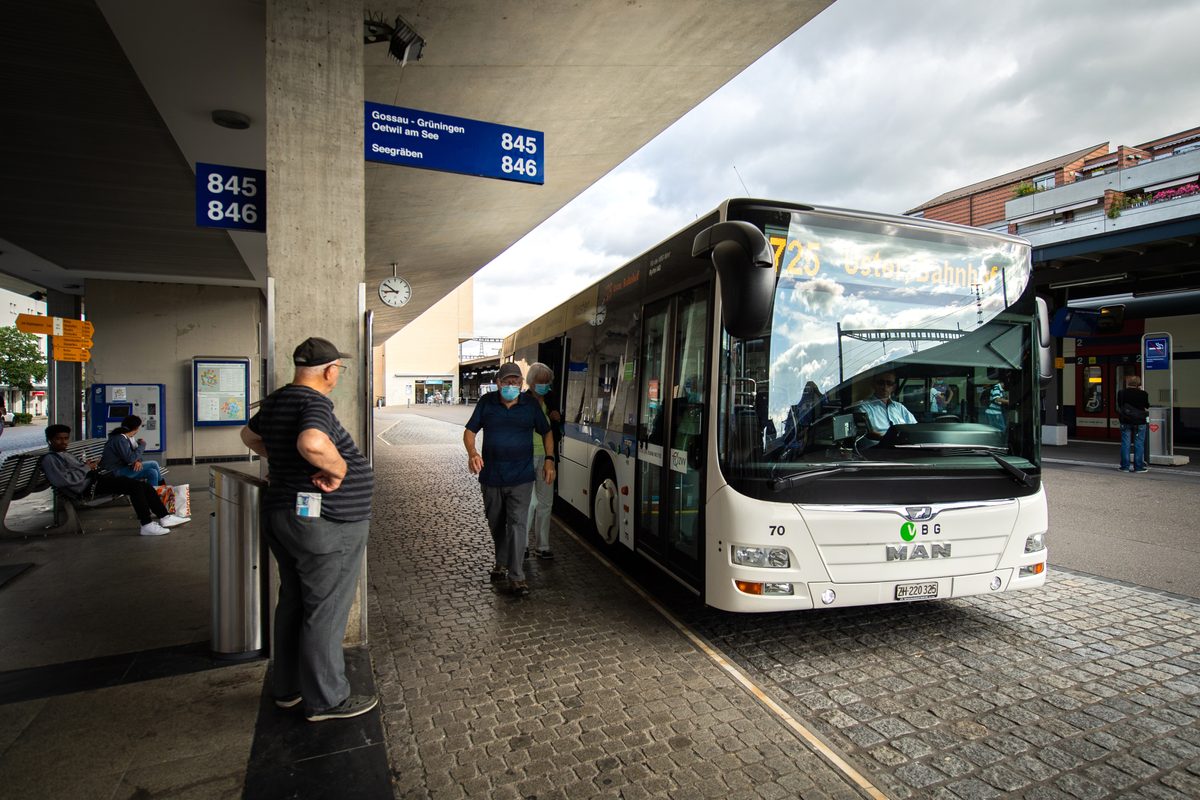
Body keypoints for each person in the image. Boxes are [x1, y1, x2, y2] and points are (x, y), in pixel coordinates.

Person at [239, 337, 377, 723]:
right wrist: (340, 470)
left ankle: (288, 688)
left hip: (283, 515)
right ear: (331, 370)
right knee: (326, 610)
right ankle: (327, 699)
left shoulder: (279, 399)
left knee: (295, 603)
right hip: (327, 524)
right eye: (339, 370)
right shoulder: (313, 402)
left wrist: (285, 459)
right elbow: (312, 441)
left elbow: (249, 437)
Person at [464, 362, 554, 597]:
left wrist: (549, 459)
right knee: (496, 522)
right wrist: (473, 453)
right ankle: (501, 560)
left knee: (518, 523)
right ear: (498, 383)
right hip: (491, 477)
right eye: (507, 382)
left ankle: (517, 576)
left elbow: (546, 431)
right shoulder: (487, 403)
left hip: (521, 477)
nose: (512, 385)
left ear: (522, 384)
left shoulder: (530, 405)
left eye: (516, 382)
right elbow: (470, 431)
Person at [40, 424, 190, 536]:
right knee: (135, 487)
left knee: (142, 485)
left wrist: (88, 466)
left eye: (65, 438)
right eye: (58, 439)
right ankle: (146, 524)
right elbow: (63, 480)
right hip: (88, 487)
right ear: (49, 440)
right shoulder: (50, 459)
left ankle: (164, 516)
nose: (63, 442)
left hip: (94, 481)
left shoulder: (63, 453)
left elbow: (76, 471)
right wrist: (86, 468)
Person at [524, 362, 561, 560]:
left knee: (546, 502)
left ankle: (543, 545)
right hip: (526, 457)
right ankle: (522, 546)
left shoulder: (551, 401)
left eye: (547, 382)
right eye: (541, 382)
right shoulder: (523, 401)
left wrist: (556, 418)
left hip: (547, 458)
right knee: (529, 503)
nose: (544, 386)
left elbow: (554, 431)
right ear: (531, 382)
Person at [99, 415, 163, 486]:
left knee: (152, 472)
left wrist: (137, 461)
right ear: (136, 428)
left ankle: (154, 495)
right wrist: (142, 445)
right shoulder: (120, 439)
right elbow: (130, 458)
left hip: (120, 468)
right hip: (114, 472)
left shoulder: (126, 437)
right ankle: (163, 487)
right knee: (153, 464)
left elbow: (133, 456)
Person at [861, 371, 916, 439]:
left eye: (889, 383)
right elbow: (867, 434)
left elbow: (915, 428)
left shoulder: (899, 407)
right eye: (881, 383)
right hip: (879, 447)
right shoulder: (864, 408)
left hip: (904, 445)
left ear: (894, 387)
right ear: (873, 384)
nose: (885, 387)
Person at [1116, 374, 1151, 473]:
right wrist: (1140, 391)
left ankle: (1124, 467)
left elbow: (1120, 405)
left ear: (1127, 383)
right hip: (1139, 421)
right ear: (1138, 384)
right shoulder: (1143, 393)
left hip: (1125, 421)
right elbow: (1147, 405)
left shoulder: (1121, 393)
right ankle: (1138, 467)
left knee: (1125, 443)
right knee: (1139, 444)